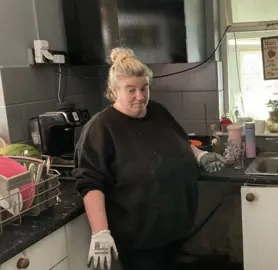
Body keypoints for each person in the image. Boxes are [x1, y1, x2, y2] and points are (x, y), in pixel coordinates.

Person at [72, 47, 227, 270]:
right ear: (114, 92)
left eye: (144, 88)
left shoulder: (158, 112)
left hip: (174, 230)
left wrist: (200, 155)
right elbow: (90, 183)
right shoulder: (101, 128)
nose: (140, 96)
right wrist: (100, 232)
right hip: (140, 240)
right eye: (131, 90)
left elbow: (180, 143)